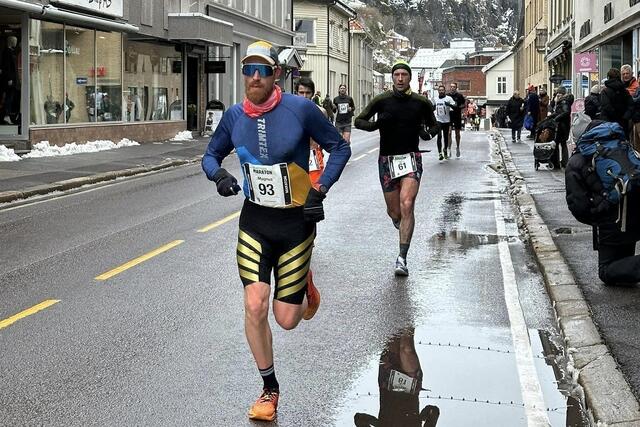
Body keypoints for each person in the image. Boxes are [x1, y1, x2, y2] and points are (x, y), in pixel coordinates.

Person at [201, 40, 351, 422]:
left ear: (276, 74)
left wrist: (319, 190)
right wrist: (217, 174)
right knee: (255, 304)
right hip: (255, 221)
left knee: (286, 319)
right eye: (248, 70)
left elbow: (339, 148)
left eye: (262, 70)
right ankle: (269, 389)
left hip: (296, 223)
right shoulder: (234, 116)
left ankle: (305, 286)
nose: (254, 77)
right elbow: (209, 154)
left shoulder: (301, 109)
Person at [354, 59, 439, 276]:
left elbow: (435, 124)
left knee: (407, 203)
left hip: (411, 158)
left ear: (410, 78)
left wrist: (427, 133)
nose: (400, 78)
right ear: (392, 78)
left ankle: (402, 258)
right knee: (395, 211)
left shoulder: (421, 102)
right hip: (387, 160)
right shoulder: (382, 100)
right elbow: (359, 121)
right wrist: (376, 124)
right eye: (396, 75)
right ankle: (399, 221)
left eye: (404, 75)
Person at [566, 120, 640, 286]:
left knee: (606, 271)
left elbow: (579, 206)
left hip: (611, 221)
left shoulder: (577, 160)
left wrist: (598, 219)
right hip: (635, 212)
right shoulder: (623, 147)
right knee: (624, 268)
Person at [353, 327, 440, 427]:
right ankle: (407, 314)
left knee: (394, 335)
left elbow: (359, 418)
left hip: (388, 382)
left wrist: (380, 424)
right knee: (406, 349)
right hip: (409, 386)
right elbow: (433, 411)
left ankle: (398, 314)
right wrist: (421, 418)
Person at [295, 76, 327, 185]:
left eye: (308, 93)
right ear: (296, 93)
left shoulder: (321, 112)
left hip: (313, 155)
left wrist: (320, 152)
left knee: (314, 191)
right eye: (301, 92)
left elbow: (326, 136)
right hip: (295, 155)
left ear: (312, 94)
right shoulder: (290, 111)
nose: (304, 96)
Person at [600, 68, 633, 136]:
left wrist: (614, 116)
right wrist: (625, 117)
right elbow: (631, 105)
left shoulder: (605, 91)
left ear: (608, 77)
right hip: (623, 123)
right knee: (623, 143)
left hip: (608, 123)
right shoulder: (625, 91)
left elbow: (606, 106)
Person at [551, 86, 574, 168]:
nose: (557, 95)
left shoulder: (564, 102)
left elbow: (565, 112)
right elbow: (557, 111)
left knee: (558, 143)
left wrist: (556, 118)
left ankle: (558, 162)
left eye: (558, 93)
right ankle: (564, 162)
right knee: (562, 143)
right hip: (563, 125)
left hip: (562, 125)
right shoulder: (562, 101)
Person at [433, 85, 454, 161]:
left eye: (442, 90)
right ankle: (440, 153)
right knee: (439, 136)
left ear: (445, 91)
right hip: (438, 120)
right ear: (438, 91)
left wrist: (449, 104)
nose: (441, 91)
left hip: (446, 120)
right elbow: (432, 107)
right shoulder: (435, 99)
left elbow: (455, 106)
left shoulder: (448, 98)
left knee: (445, 137)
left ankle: (445, 149)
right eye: (440, 90)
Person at [447, 82, 465, 158]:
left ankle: (457, 147)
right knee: (449, 133)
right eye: (451, 86)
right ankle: (449, 149)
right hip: (449, 116)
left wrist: (459, 107)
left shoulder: (459, 96)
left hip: (457, 115)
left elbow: (464, 104)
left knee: (457, 133)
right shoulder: (447, 96)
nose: (452, 88)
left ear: (456, 88)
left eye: (454, 87)